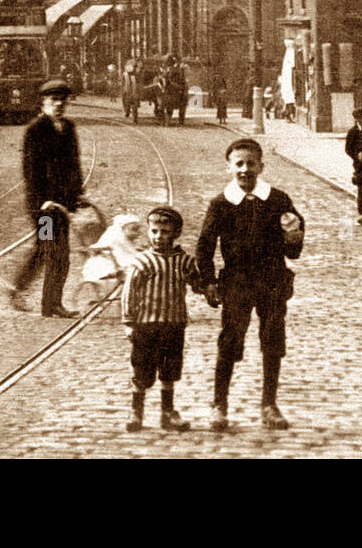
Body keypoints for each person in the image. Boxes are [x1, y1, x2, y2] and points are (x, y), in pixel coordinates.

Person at [197, 138, 304, 432]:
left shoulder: (278, 199)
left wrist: (293, 236)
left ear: (261, 166)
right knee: (230, 340)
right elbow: (204, 245)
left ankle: (269, 405)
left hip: (272, 280)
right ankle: (220, 404)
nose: (245, 169)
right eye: (239, 164)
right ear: (229, 166)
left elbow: (293, 245)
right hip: (237, 282)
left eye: (251, 163)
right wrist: (207, 282)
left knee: (273, 340)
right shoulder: (221, 203)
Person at [4, 78, 83, 318]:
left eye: (62, 100)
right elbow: (31, 171)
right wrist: (43, 201)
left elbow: (74, 166)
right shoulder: (35, 130)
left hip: (62, 205)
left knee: (50, 251)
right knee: (53, 252)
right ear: (44, 102)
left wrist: (77, 196)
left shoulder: (68, 128)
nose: (59, 104)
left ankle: (19, 288)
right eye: (53, 100)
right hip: (44, 208)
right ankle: (50, 304)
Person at [121, 204, 202, 432]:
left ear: (175, 233)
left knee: (169, 369)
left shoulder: (184, 261)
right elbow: (129, 292)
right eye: (154, 231)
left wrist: (210, 288)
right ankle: (136, 412)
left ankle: (168, 413)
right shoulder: (142, 261)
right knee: (142, 370)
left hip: (174, 324)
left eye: (165, 232)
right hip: (146, 325)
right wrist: (129, 322)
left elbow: (197, 283)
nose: (158, 237)